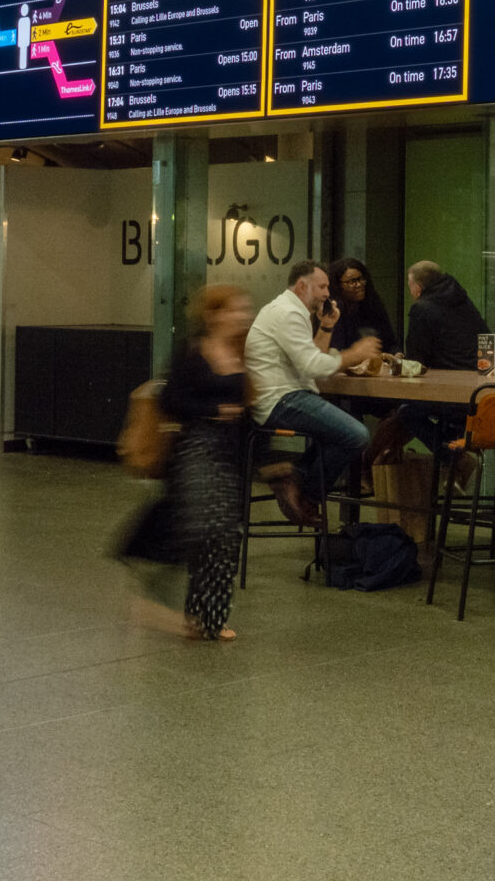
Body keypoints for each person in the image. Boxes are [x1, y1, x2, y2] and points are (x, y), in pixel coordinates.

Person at [152, 284, 253, 642]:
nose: (242, 316)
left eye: (244, 310)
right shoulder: (193, 352)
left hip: (230, 453)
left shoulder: (243, 352)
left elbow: (251, 405)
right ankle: (195, 614)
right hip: (196, 449)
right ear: (213, 315)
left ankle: (212, 618)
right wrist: (214, 411)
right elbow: (169, 400)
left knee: (227, 536)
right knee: (206, 532)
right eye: (234, 310)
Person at [245, 259, 379, 526]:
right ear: (302, 286)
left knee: (338, 436)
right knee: (356, 435)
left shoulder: (290, 311)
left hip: (279, 397)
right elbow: (313, 366)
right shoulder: (288, 313)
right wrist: (355, 354)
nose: (328, 293)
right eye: (322, 286)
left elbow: (310, 359)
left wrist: (326, 326)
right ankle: (304, 491)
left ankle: (291, 478)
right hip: (280, 400)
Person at [394, 260, 492, 481]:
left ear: (417, 288)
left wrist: (397, 362)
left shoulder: (421, 308)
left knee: (406, 411)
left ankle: (454, 458)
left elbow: (416, 362)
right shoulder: (462, 300)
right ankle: (454, 459)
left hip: (452, 396)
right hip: (483, 395)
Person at [329, 258, 396, 353]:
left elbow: (391, 341)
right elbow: (335, 350)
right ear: (338, 285)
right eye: (351, 282)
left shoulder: (373, 303)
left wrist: (397, 355)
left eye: (361, 279)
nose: (359, 285)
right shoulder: (334, 310)